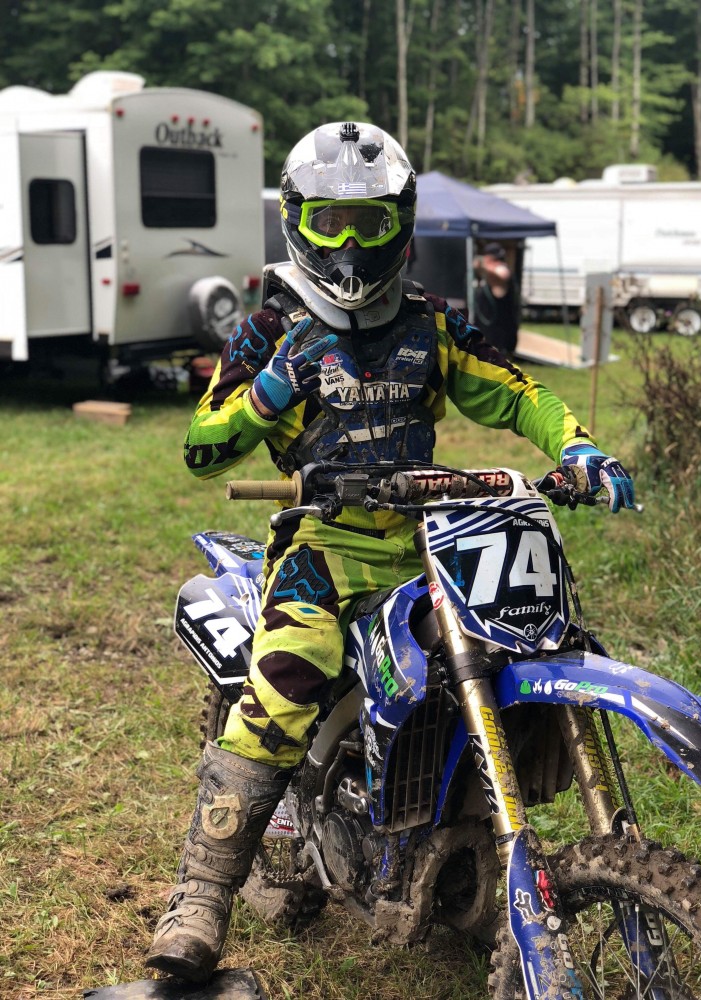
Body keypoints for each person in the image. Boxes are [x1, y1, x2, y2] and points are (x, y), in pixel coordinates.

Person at [145, 121, 635, 983]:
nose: (348, 243)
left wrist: (578, 445)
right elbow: (202, 448)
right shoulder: (271, 326)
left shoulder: (432, 324)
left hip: (427, 542)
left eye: (368, 222)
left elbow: (518, 393)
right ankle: (200, 898)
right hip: (321, 545)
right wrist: (270, 390)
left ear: (400, 223)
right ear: (297, 220)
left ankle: (458, 834)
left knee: (500, 651)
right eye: (330, 221)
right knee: (286, 682)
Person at [473, 241, 520, 359]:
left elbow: (503, 274)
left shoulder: (500, 269)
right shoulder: (489, 275)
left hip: (498, 338)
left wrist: (483, 267)